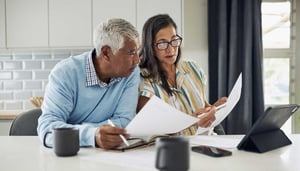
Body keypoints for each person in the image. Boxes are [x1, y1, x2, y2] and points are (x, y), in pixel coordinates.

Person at [38, 18, 140, 149]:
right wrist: (92, 135)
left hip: (107, 156)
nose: (137, 60)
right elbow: (48, 128)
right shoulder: (65, 73)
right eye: (131, 52)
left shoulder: (131, 72)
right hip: (70, 154)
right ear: (106, 53)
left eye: (137, 51)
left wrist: (76, 130)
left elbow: (124, 122)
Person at [137, 14, 227, 135]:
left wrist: (214, 109)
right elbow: (152, 126)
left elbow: (203, 105)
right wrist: (191, 121)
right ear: (150, 46)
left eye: (174, 40)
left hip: (208, 143)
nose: (171, 49)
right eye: (162, 43)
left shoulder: (192, 68)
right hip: (175, 149)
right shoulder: (143, 79)